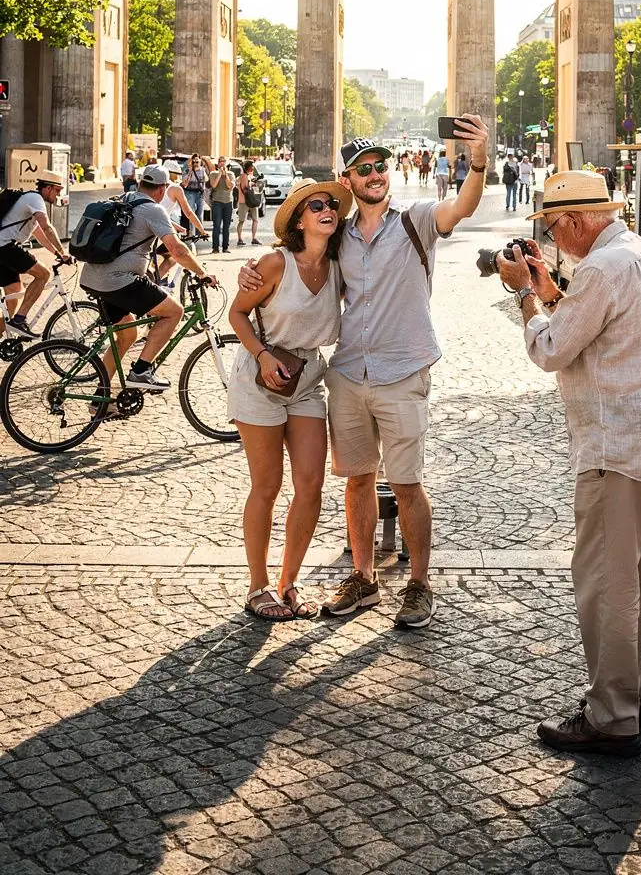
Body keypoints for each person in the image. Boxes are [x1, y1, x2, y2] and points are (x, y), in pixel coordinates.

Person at [238, 119, 490, 629]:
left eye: (381, 166)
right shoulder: (337, 240)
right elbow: (290, 259)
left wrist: (478, 160)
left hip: (402, 370)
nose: (375, 174)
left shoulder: (417, 220)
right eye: (363, 169)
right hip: (349, 373)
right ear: (347, 180)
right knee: (357, 479)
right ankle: (363, 578)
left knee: (407, 482)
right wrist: (250, 270)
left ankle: (419, 585)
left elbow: (462, 205)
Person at [498, 170, 641, 758]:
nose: (556, 241)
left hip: (618, 448)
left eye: (556, 229)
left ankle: (612, 715)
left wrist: (524, 295)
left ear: (579, 221)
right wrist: (551, 289)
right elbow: (600, 326)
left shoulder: (602, 269)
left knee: (609, 584)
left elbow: (553, 348)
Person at [228, 177, 352, 621]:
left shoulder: (340, 264)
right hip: (260, 379)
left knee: (311, 485)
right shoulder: (275, 264)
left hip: (306, 379)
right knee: (267, 486)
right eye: (316, 205)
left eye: (332, 205)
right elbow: (237, 312)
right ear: (299, 220)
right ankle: (257, 586)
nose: (327, 209)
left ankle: (289, 581)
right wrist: (261, 356)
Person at [79, 166, 216, 393]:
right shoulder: (153, 208)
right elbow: (177, 250)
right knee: (174, 311)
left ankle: (99, 399)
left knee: (127, 335)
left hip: (94, 277)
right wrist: (202, 273)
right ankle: (141, 371)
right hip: (119, 280)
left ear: (141, 183)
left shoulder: (125, 198)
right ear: (162, 190)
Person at [0, 172, 71, 336]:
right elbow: (46, 227)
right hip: (6, 247)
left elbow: (39, 234)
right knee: (43, 274)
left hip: (2, 247)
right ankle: (20, 320)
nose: (58, 194)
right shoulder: (35, 199)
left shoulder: (30, 201)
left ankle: (5, 335)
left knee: (14, 293)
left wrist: (57, 254)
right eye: (57, 190)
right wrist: (63, 251)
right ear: (47, 188)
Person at [208, 156, 235, 253]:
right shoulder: (213, 174)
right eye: (220, 161)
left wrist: (226, 175)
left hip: (228, 202)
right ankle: (215, 248)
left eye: (224, 161)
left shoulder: (231, 174)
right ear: (217, 163)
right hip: (217, 202)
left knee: (226, 226)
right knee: (217, 225)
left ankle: (225, 247)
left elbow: (230, 186)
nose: (222, 163)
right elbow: (214, 185)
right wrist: (219, 174)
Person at [236, 160, 262, 248]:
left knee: (255, 219)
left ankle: (254, 238)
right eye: (252, 166)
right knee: (242, 220)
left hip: (250, 200)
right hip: (244, 201)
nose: (253, 168)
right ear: (248, 167)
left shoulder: (248, 176)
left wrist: (252, 183)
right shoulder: (244, 176)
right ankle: (239, 239)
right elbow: (244, 188)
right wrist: (251, 184)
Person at [181, 154, 208, 228]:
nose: (196, 163)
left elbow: (206, 179)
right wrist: (191, 171)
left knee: (199, 213)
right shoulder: (187, 170)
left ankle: (200, 233)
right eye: (194, 161)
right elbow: (185, 184)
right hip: (190, 192)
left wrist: (201, 170)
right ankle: (192, 233)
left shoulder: (202, 170)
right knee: (191, 213)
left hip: (200, 193)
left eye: (197, 161)